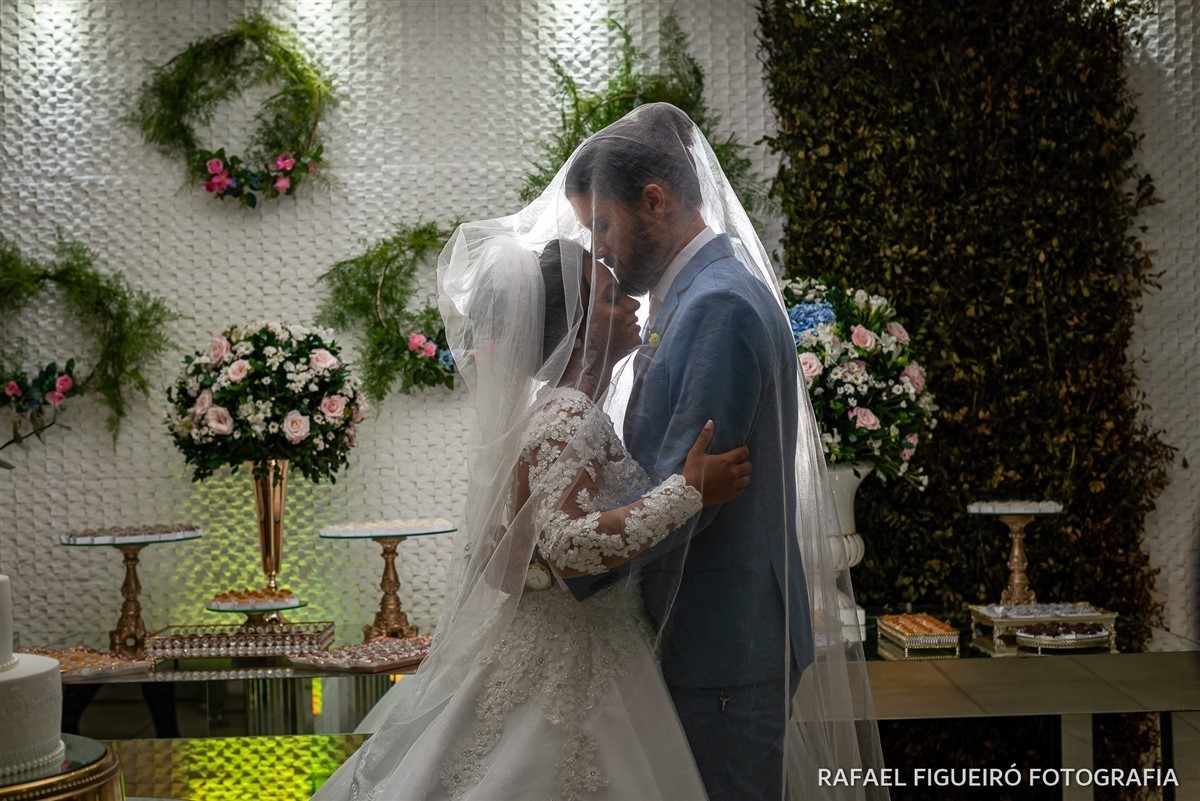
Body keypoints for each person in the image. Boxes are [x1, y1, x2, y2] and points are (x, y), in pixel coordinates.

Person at [312, 230, 752, 800]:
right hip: (574, 658)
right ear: (577, 325)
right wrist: (688, 492)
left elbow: (519, 551)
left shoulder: (559, 410)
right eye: (611, 297)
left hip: (573, 640)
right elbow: (568, 547)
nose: (631, 304)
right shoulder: (569, 415)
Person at [562, 103, 887, 801]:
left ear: (655, 201)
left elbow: (692, 490)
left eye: (604, 225)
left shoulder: (718, 305)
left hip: (720, 642)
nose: (599, 250)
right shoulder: (696, 294)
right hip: (712, 636)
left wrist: (571, 564)